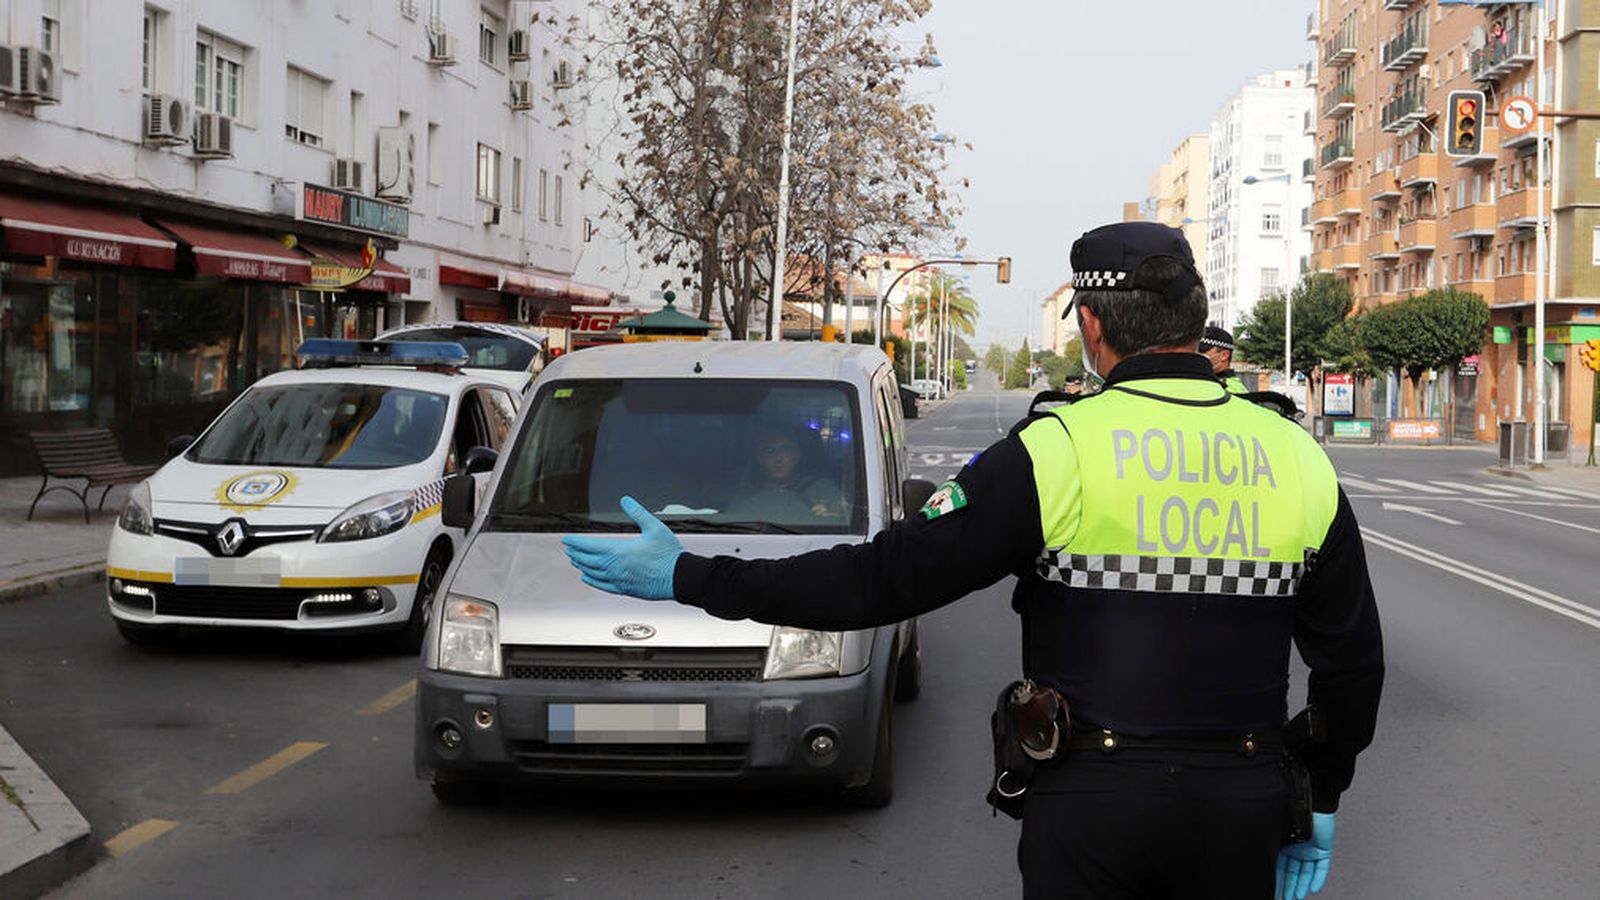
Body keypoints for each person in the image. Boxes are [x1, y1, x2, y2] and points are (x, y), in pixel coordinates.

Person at [563, 221, 1383, 900]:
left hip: (1092, 811)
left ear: (1092, 329)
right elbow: (1351, 665)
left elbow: (883, 580)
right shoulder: (1297, 456)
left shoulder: (1056, 448)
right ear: (1193, 321)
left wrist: (691, 575)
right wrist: (1323, 790)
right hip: (1241, 805)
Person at [725, 427, 844, 520]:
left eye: (785, 449)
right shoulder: (746, 494)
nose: (778, 458)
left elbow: (842, 516)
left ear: (797, 455)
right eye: (769, 450)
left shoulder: (822, 489)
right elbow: (732, 522)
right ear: (759, 458)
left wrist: (828, 514)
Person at [1200, 324, 1250, 395]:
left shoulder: (1231, 390)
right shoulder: (1207, 382)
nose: (1197, 356)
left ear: (1224, 355)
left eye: (1202, 351)